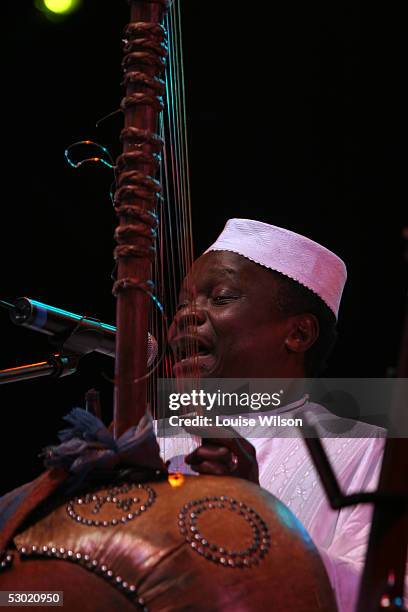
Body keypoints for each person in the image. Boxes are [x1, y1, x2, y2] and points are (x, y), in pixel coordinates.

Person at [160, 218, 386, 612]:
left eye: (221, 298)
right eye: (183, 303)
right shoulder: (147, 439)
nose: (186, 316)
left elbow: (378, 593)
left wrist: (256, 517)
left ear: (298, 334)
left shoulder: (369, 448)